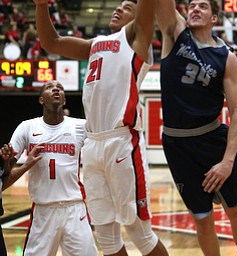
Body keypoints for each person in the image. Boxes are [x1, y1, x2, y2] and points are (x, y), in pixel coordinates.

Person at [33, 1, 169, 256]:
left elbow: (147, 9)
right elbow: (52, 43)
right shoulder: (95, 44)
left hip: (121, 142)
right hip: (92, 145)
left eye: (127, 7)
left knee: (141, 234)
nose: (118, 9)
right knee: (106, 239)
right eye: (118, 5)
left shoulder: (137, 39)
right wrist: (41, 6)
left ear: (138, 14)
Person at [155, 0, 237, 255]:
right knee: (202, 220)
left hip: (212, 140)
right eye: (191, 5)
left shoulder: (227, 57)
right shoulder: (174, 31)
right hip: (177, 144)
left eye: (203, 6)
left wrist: (227, 161)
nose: (195, 9)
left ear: (214, 18)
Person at [2, 80, 98, 256]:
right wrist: (6, 159)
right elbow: (6, 171)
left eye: (60, 88)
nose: (56, 89)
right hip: (43, 210)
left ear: (64, 100)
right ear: (41, 100)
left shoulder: (80, 126)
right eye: (49, 87)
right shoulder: (27, 127)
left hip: (74, 209)